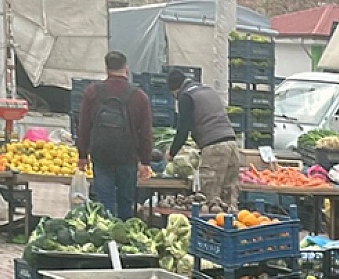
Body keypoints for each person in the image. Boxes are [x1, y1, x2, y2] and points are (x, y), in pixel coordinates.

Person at [77, 51, 154, 220]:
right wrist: (145, 161)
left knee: (105, 203)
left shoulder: (92, 92)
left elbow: (83, 126)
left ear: (106, 69)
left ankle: (107, 233)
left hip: (101, 156)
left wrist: (82, 155)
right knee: (126, 202)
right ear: (126, 69)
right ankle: (124, 233)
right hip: (128, 157)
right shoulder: (139, 96)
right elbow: (146, 132)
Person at [166, 69, 241, 213]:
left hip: (214, 147)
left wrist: (172, 153)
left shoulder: (186, 96)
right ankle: (232, 224)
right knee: (229, 196)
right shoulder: (207, 90)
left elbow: (183, 129)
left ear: (174, 89)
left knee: (210, 199)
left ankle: (210, 226)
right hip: (231, 142)